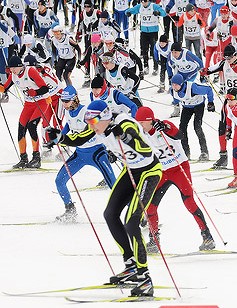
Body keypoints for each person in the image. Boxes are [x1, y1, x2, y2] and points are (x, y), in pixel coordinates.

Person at [55, 100, 163, 297]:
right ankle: (130, 265)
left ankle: (145, 278)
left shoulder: (124, 123)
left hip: (149, 171)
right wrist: (59, 137)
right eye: (88, 122)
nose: (91, 126)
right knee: (110, 214)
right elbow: (79, 139)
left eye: (93, 121)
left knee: (131, 222)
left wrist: (125, 136)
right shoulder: (99, 128)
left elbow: (145, 149)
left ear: (104, 117)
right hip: (130, 170)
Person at [134, 107, 215, 252]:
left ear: (150, 120)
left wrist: (165, 128)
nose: (140, 126)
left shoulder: (163, 125)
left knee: (189, 202)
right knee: (150, 206)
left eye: (142, 123)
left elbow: (179, 135)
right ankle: (154, 241)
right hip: (161, 173)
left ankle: (207, 236)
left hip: (179, 169)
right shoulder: (141, 134)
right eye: (138, 123)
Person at [44, 86, 115, 222]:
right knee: (59, 181)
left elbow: (83, 136)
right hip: (80, 154)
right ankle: (70, 211)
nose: (64, 104)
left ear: (75, 99)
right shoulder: (68, 112)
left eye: (67, 101)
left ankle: (138, 214)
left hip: (96, 153)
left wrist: (62, 139)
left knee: (114, 185)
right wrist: (56, 139)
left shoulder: (86, 112)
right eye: (62, 101)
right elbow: (68, 126)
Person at [0, 55, 51, 169]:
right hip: (28, 104)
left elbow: (45, 88)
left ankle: (36, 158)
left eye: (14, 68)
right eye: (11, 68)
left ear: (20, 66)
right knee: (21, 127)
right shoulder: (13, 75)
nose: (12, 70)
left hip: (41, 102)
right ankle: (23, 158)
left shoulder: (30, 71)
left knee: (32, 126)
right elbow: (4, 88)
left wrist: (35, 92)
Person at [170, 74, 214, 162]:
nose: (174, 87)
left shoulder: (193, 88)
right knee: (182, 128)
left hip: (198, 106)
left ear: (181, 84)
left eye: (176, 85)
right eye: (173, 85)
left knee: (197, 127)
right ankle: (185, 152)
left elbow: (209, 89)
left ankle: (204, 152)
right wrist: (176, 104)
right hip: (187, 107)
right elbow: (176, 98)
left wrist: (210, 103)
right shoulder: (172, 91)